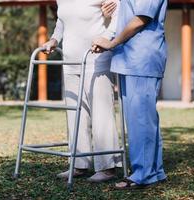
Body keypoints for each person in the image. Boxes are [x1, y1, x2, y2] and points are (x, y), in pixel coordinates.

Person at [42, 0, 121, 183]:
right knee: (75, 114)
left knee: (101, 114)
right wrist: (54, 39)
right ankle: (79, 164)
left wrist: (108, 37)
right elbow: (62, 22)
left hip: (97, 59)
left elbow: (118, 15)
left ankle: (108, 167)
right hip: (70, 62)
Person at [92, 0, 168, 189]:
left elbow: (140, 19)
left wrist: (112, 43)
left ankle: (143, 174)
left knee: (141, 119)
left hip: (141, 59)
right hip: (130, 59)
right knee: (142, 120)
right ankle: (154, 172)